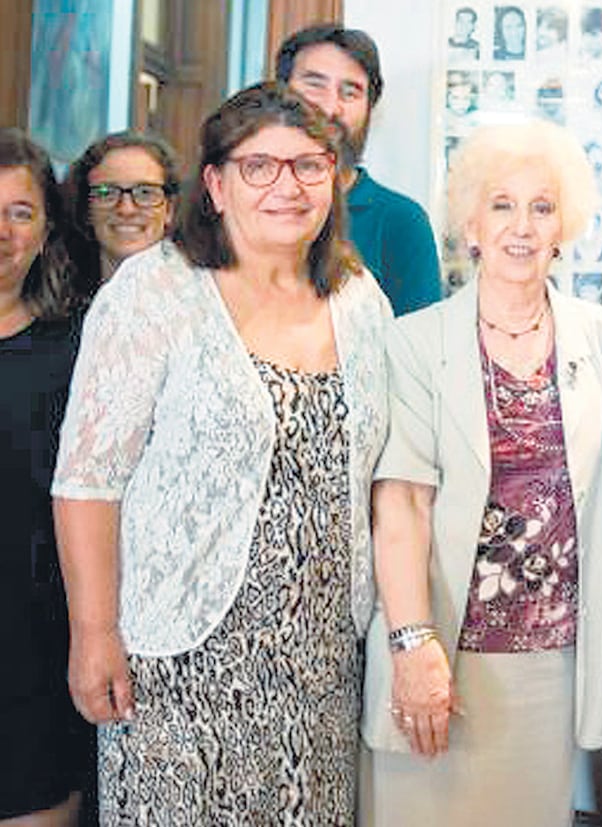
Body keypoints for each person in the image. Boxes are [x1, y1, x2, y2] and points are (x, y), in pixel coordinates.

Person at [52, 82, 392, 825]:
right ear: (215, 183)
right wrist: (95, 632)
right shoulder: (157, 290)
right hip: (178, 654)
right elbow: (87, 479)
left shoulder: (360, 298)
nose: (287, 185)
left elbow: (383, 478)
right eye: (258, 166)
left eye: (308, 166)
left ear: (334, 179)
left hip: (320, 661)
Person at [359, 119, 602, 826]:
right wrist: (413, 644)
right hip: (440, 656)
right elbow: (400, 507)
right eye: (502, 205)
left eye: (541, 207)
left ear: (562, 223)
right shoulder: (414, 341)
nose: (521, 226)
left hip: (551, 667)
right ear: (470, 222)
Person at [0, 129, 91, 827]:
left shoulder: (79, 345)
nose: (1, 230)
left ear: (46, 228)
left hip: (35, 643)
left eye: (20, 211)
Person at [276, 23, 441, 315]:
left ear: (369, 108)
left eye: (349, 92)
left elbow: (418, 355)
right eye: (314, 84)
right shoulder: (248, 202)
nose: (330, 107)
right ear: (280, 91)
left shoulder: (402, 222)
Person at [63, 130, 179, 291]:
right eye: (107, 193)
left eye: (145, 192)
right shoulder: (60, 308)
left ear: (169, 209)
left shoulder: (200, 305)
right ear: (86, 209)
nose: (126, 209)